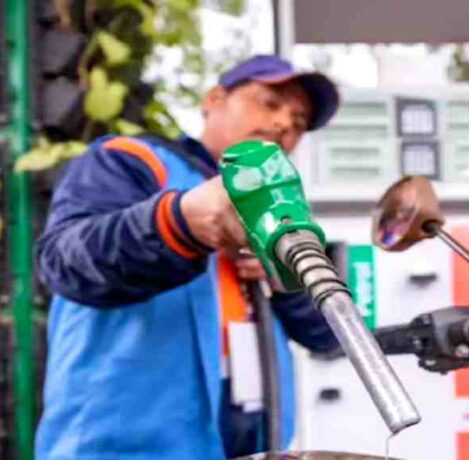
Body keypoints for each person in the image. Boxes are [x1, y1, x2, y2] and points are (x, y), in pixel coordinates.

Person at [34, 55, 340, 460]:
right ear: (214, 99)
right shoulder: (132, 160)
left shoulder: (279, 209)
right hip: (119, 448)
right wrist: (179, 224)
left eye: (299, 122)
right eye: (269, 102)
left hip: (252, 446)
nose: (285, 123)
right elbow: (63, 261)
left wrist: (285, 279)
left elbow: (330, 334)